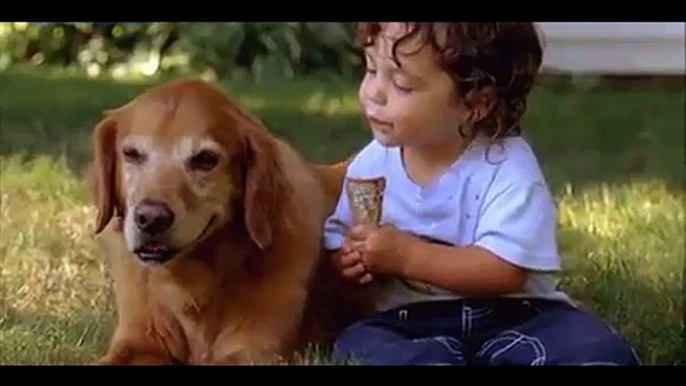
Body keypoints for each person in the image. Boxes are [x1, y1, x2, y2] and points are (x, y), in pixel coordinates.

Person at [323, 22, 641, 366]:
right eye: (371, 69)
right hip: (409, 321)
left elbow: (505, 270)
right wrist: (349, 260)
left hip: (516, 315)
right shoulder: (370, 165)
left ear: (475, 103)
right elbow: (341, 236)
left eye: (401, 84)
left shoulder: (506, 166)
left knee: (595, 350)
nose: (374, 92)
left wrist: (405, 257)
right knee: (358, 343)